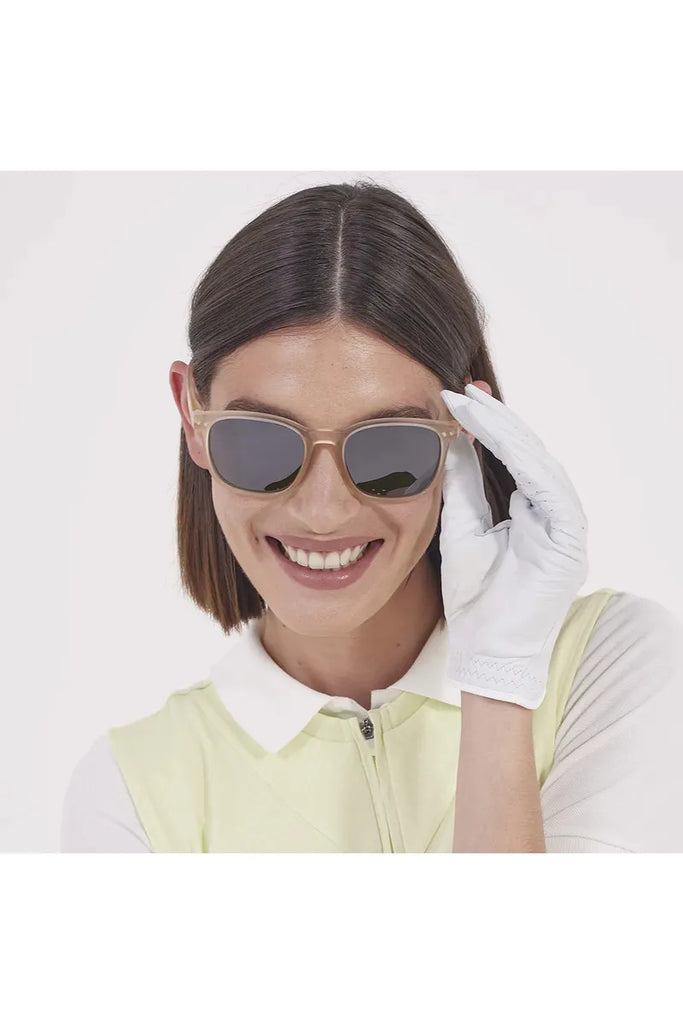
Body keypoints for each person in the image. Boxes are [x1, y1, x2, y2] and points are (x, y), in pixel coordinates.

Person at [61, 181, 683, 853]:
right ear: (191, 416)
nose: (323, 510)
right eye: (262, 442)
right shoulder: (133, 791)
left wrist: (499, 683)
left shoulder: (611, 669)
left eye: (386, 447)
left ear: (466, 431)